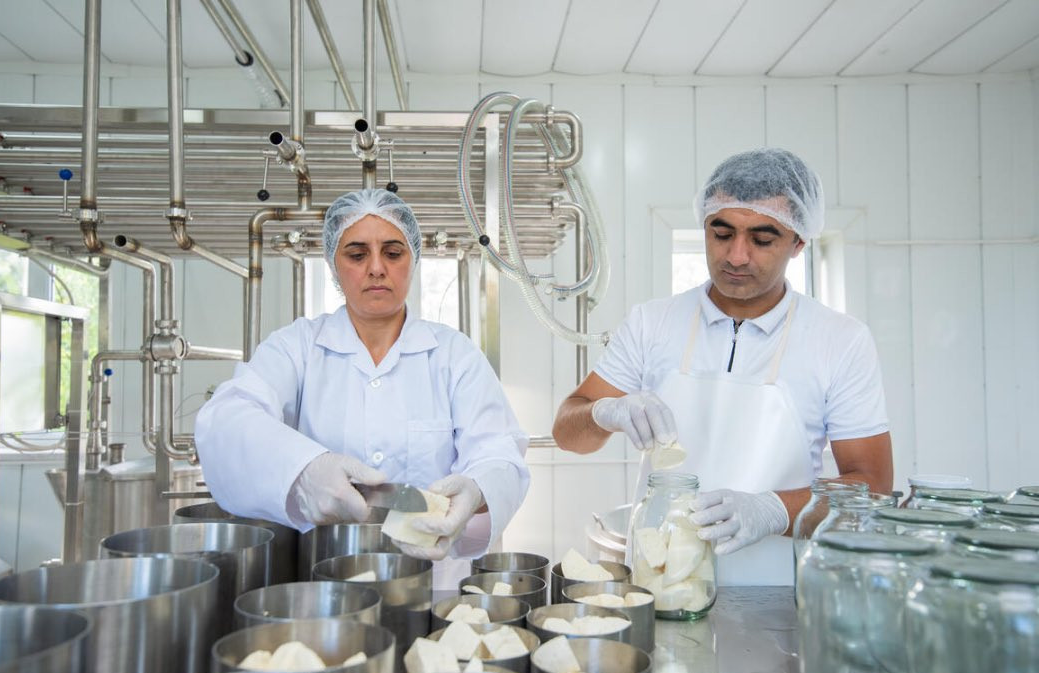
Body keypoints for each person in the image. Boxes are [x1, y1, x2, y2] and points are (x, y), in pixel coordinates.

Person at [552, 147, 892, 583]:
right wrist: (604, 413)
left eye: (762, 240)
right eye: (721, 233)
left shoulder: (840, 340)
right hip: (661, 588)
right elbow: (568, 435)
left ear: (799, 243)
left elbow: (873, 486)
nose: (736, 256)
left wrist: (773, 509)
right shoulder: (652, 323)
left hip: (778, 592)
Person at [195, 189, 529, 577]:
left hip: (434, 585)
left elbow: (498, 451)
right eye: (356, 255)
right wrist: (304, 470)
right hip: (323, 587)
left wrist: (477, 491)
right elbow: (226, 419)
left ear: (413, 259)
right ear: (333, 265)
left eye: (393, 253)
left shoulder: (455, 355)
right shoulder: (296, 347)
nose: (376, 268)